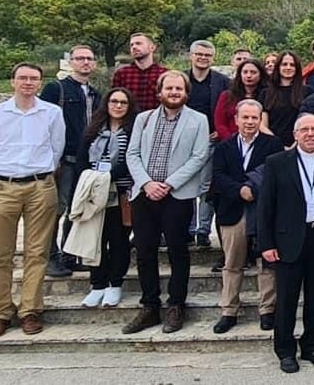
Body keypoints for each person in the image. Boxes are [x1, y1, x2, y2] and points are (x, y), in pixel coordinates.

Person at [122, 70, 211, 335]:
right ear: (159, 92)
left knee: (177, 251)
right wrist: (147, 183)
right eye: (169, 88)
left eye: (179, 89)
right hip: (145, 194)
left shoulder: (198, 120)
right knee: (145, 251)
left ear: (186, 93)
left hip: (177, 195)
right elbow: (132, 154)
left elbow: (199, 157)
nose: (174, 92)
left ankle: (176, 304)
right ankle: (150, 305)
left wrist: (169, 184)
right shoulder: (144, 119)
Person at [0, 63, 65, 338]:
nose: (28, 83)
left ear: (40, 83)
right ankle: (0, 313)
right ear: (13, 82)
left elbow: (57, 147)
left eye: (33, 79)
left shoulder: (51, 113)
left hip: (40, 185)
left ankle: (30, 310)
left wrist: (40, 172)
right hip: (2, 185)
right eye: (23, 78)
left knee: (37, 252)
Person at [257, 113, 314, 374]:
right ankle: (285, 350)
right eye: (305, 129)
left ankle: (312, 346)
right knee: (286, 299)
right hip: (287, 240)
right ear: (295, 134)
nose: (310, 134)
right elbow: (265, 206)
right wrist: (266, 243)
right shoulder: (276, 162)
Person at [210, 99, 283, 334]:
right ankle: (229, 311)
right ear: (236, 119)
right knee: (233, 263)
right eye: (245, 117)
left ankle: (267, 310)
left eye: (254, 117)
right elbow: (218, 176)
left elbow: (275, 172)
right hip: (233, 210)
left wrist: (253, 188)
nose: (250, 122)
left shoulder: (272, 144)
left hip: (263, 209)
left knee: (266, 263)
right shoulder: (224, 147)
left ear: (261, 119)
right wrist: (239, 190)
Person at [70, 88, 137, 310]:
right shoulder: (93, 130)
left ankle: (115, 283)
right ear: (106, 104)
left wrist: (108, 176)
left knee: (118, 239)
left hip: (120, 191)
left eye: (123, 102)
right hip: (93, 190)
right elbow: (81, 158)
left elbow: (132, 159)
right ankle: (97, 284)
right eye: (114, 101)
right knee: (94, 238)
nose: (118, 106)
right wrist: (91, 178)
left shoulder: (133, 130)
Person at [39, 44, 102, 277]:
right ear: (71, 62)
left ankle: (69, 254)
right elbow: (42, 124)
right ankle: (50, 257)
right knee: (56, 209)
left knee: (77, 209)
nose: (85, 62)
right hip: (63, 160)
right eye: (80, 58)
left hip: (86, 162)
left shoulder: (96, 94)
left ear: (94, 64)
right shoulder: (56, 89)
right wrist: (50, 159)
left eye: (89, 58)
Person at [184, 40, 230, 249]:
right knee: (186, 185)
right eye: (199, 54)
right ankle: (188, 228)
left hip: (212, 140)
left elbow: (229, 110)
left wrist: (219, 131)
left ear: (213, 58)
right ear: (191, 56)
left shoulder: (223, 82)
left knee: (207, 187)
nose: (203, 58)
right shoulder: (181, 79)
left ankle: (203, 230)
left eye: (207, 55)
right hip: (185, 141)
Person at [111, 33, 168, 112]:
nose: (134, 47)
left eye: (138, 43)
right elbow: (114, 101)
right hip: (130, 119)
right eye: (131, 45)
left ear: (152, 47)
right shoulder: (122, 74)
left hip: (155, 118)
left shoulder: (164, 74)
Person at [261, 51, 307, 148]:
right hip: (272, 146)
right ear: (278, 67)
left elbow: (309, 120)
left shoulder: (307, 91)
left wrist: (296, 144)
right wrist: (278, 144)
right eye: (284, 64)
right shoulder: (266, 93)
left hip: (301, 144)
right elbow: (262, 125)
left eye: (292, 65)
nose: (288, 67)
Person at [214, 58, 267, 142]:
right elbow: (220, 124)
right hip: (230, 142)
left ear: (261, 74)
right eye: (245, 72)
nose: (248, 75)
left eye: (253, 72)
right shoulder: (227, 96)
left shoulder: (267, 96)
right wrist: (232, 142)